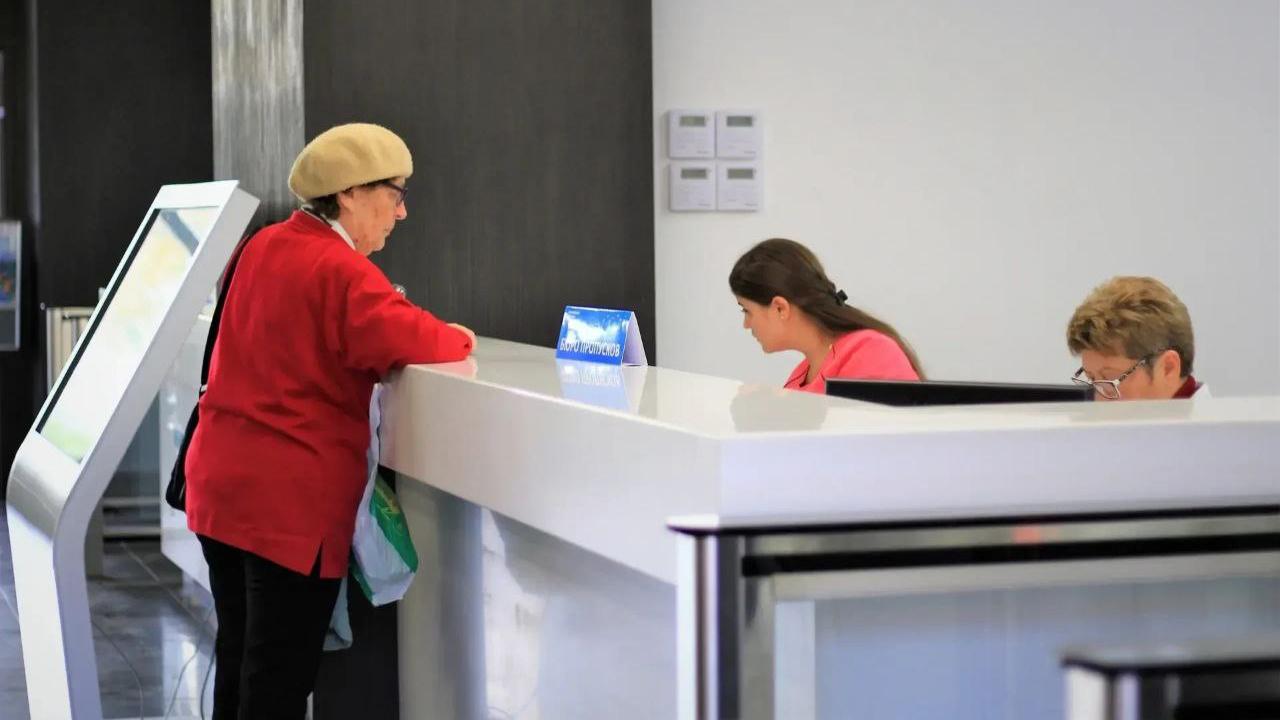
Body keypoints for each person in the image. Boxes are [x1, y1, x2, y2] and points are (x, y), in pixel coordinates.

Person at [183, 122, 476, 718]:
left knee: (239, 659)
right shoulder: (341, 270)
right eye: (394, 193)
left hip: (220, 488)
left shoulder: (264, 244)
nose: (402, 212)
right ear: (349, 192)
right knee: (277, 682)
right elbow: (420, 338)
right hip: (287, 508)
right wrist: (461, 337)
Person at [728, 238, 922, 394]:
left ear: (780, 308)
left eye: (747, 310)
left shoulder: (870, 351)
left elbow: (888, 430)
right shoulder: (801, 374)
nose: (746, 324)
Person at [1066, 275, 1206, 400]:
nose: (1099, 399)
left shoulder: (1210, 422)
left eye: (1110, 379)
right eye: (1091, 379)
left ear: (1168, 368)